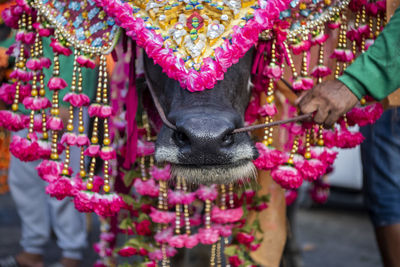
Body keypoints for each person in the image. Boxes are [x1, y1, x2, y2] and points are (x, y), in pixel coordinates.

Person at [298, 6, 400, 267]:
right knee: (386, 197)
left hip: (385, 81)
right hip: (386, 90)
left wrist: (353, 84)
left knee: (388, 198)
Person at [0, 36, 97, 267]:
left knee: (64, 183)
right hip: (27, 102)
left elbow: (86, 49)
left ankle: (71, 254)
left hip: (65, 103)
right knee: (23, 180)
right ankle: (32, 250)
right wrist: (6, 49)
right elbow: (23, 35)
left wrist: (68, 99)